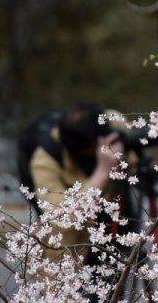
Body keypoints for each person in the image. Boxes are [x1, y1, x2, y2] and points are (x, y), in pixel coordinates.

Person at [17, 101, 138, 263]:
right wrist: (103, 172)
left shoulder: (111, 122)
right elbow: (60, 217)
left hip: (115, 206)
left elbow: (135, 155)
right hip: (75, 228)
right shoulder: (44, 160)